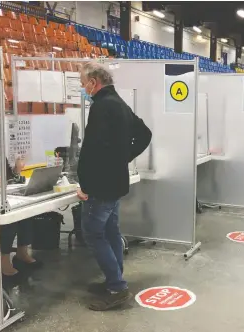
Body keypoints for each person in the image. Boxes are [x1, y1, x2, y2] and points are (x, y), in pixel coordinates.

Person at [77, 62, 152, 311]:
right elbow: (145, 134)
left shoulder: (101, 106)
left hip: (100, 185)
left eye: (83, 82)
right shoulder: (120, 104)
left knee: (93, 233)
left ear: (93, 82)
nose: (82, 86)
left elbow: (91, 150)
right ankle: (113, 280)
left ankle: (118, 288)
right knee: (110, 233)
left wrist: (85, 185)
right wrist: (125, 156)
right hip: (116, 181)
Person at [0, 141, 42, 287]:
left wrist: (16, 170)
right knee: (8, 218)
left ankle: (22, 252)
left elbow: (7, 176)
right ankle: (3, 261)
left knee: (25, 211)